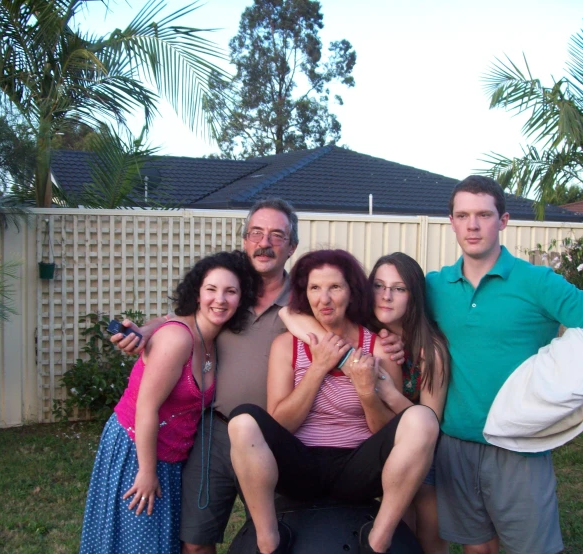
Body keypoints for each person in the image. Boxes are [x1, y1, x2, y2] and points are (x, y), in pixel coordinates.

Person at [112, 198, 406, 554]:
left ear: (291, 247)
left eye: (277, 235)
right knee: (195, 540)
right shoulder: (230, 294)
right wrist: (146, 329)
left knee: (290, 529)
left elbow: (346, 328)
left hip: (279, 437)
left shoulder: (303, 302)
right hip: (217, 432)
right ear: (245, 240)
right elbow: (186, 320)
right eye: (256, 233)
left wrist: (395, 337)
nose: (265, 242)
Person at [426, 176, 583, 554]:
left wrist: (557, 394)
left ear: (503, 221)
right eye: (463, 215)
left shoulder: (537, 282)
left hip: (520, 445)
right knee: (476, 547)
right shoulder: (435, 286)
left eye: (484, 214)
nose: (473, 225)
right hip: (456, 442)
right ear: (451, 221)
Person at [228, 249, 440, 554]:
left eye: (335, 288)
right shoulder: (286, 345)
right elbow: (281, 423)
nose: (324, 299)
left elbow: (385, 432)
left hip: (358, 468)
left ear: (352, 291)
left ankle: (378, 539)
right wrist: (317, 369)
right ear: (305, 293)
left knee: (422, 419)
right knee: (243, 420)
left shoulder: (378, 347)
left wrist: (367, 392)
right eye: (315, 288)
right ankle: (268, 538)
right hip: (299, 465)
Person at [79, 250, 260, 554]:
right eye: (211, 290)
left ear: (241, 299)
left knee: (159, 543)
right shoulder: (179, 339)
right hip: (137, 451)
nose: (220, 299)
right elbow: (146, 408)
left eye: (231, 291)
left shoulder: (213, 341)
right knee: (135, 542)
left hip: (172, 460)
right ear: (197, 293)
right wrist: (146, 471)